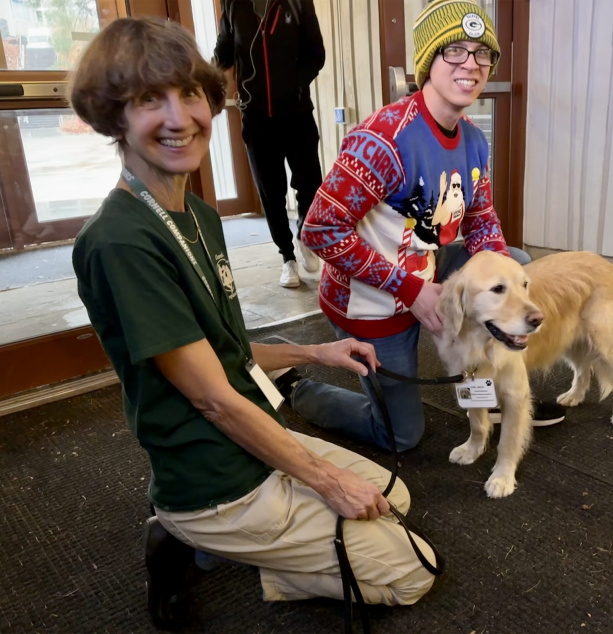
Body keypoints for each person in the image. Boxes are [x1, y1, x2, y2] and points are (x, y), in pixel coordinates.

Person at [69, 17, 435, 629]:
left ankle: (254, 545)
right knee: (413, 570)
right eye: (146, 100)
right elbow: (214, 398)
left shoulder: (200, 217)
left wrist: (318, 355)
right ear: (112, 117)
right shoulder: (120, 242)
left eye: (189, 93)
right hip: (212, 478)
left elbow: (230, 352)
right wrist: (326, 481)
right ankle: (184, 533)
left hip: (256, 441)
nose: (179, 116)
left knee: (394, 497)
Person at [292, 0, 566, 453]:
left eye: (483, 54)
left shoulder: (474, 139)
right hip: (370, 299)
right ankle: (300, 388)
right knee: (402, 436)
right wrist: (411, 292)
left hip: (424, 265)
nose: (472, 65)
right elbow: (320, 229)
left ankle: (493, 383)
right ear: (428, 61)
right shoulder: (384, 139)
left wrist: (494, 273)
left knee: (512, 265)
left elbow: (481, 221)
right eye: (455, 50)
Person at [213, 0, 325, 289]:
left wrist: (294, 86)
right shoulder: (233, 4)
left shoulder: (298, 3)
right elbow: (225, 51)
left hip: (297, 114)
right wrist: (204, 79)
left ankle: (305, 234)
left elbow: (316, 54)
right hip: (256, 117)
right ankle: (287, 258)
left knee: (310, 183)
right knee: (270, 191)